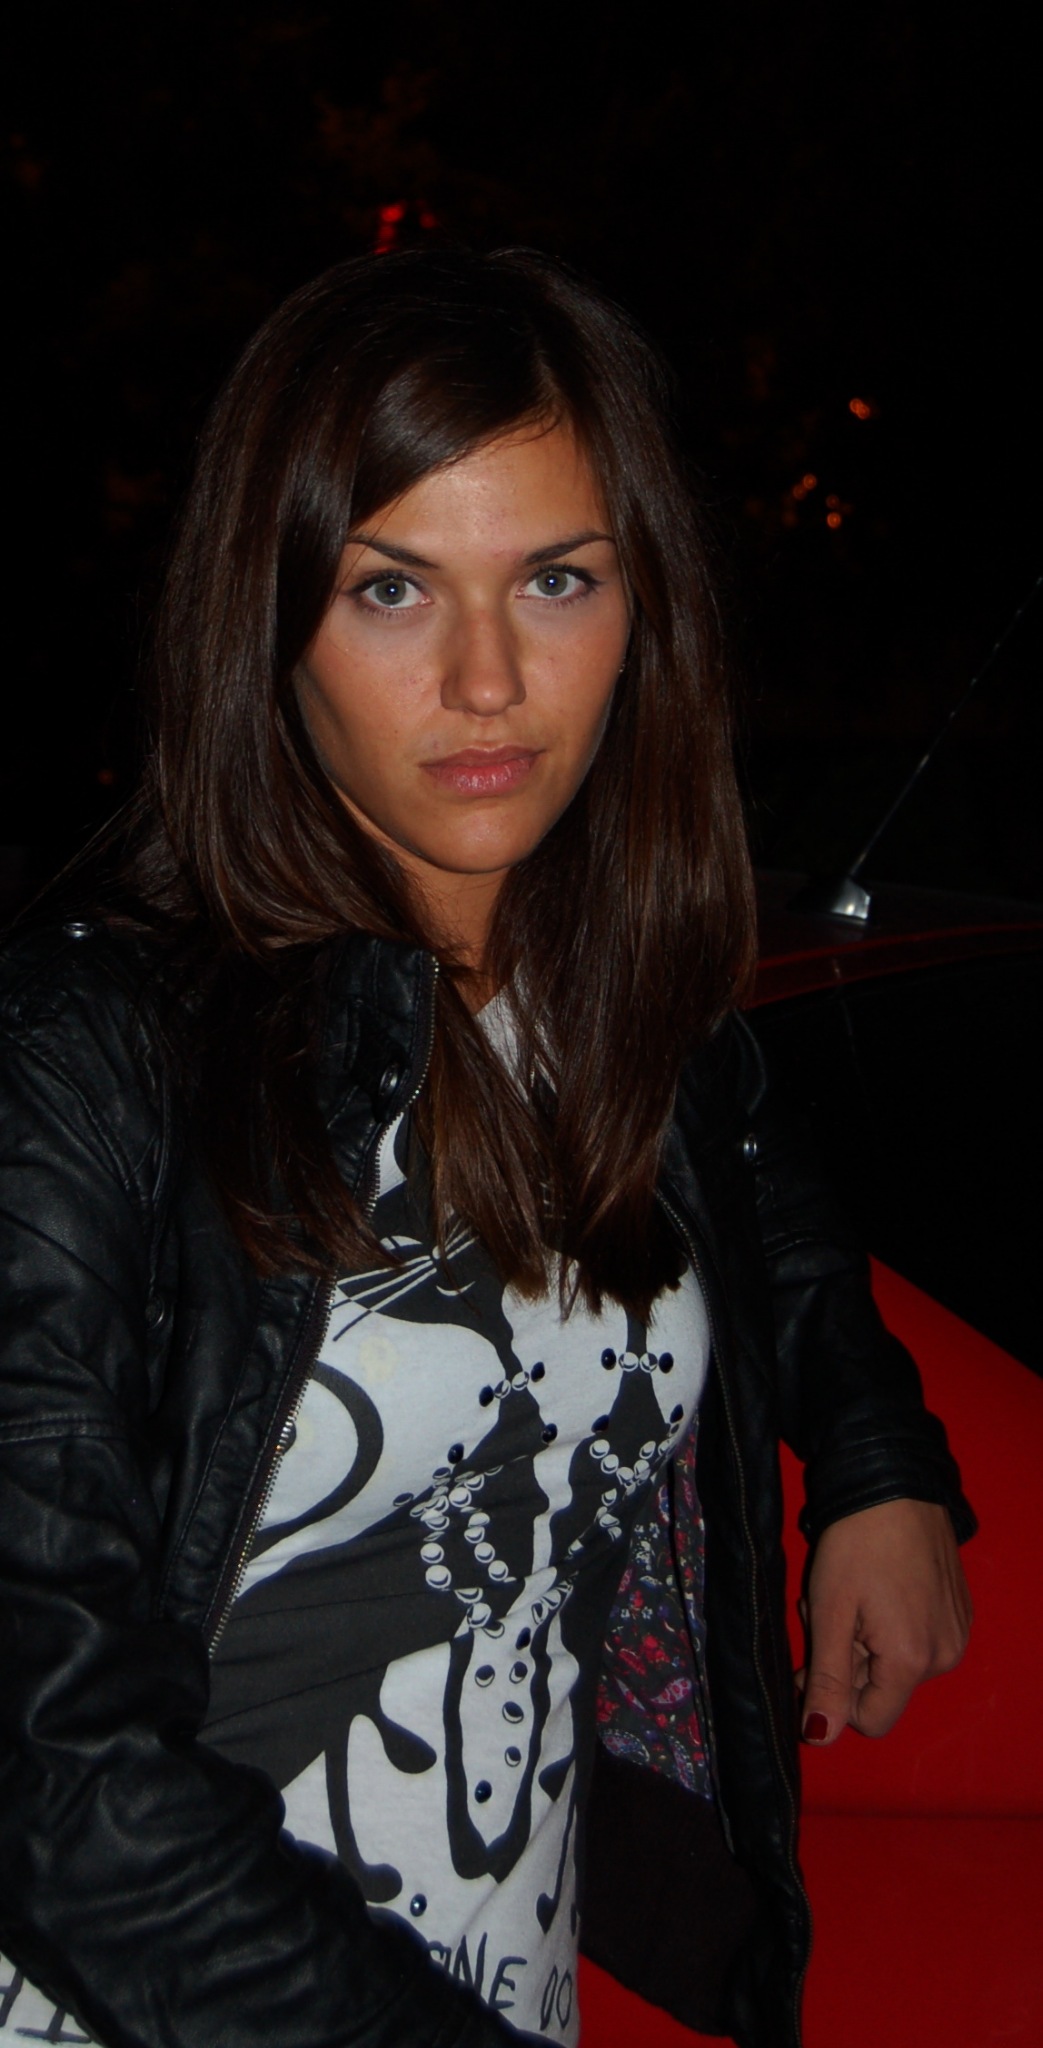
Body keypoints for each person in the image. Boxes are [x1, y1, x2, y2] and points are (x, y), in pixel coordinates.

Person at [0, 248, 973, 2048]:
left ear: (641, 602)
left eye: (554, 579)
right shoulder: (89, 1057)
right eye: (390, 588)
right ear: (266, 620)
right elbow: (48, 1767)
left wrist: (873, 1449)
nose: (488, 678)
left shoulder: (601, 987)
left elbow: (751, 1170)